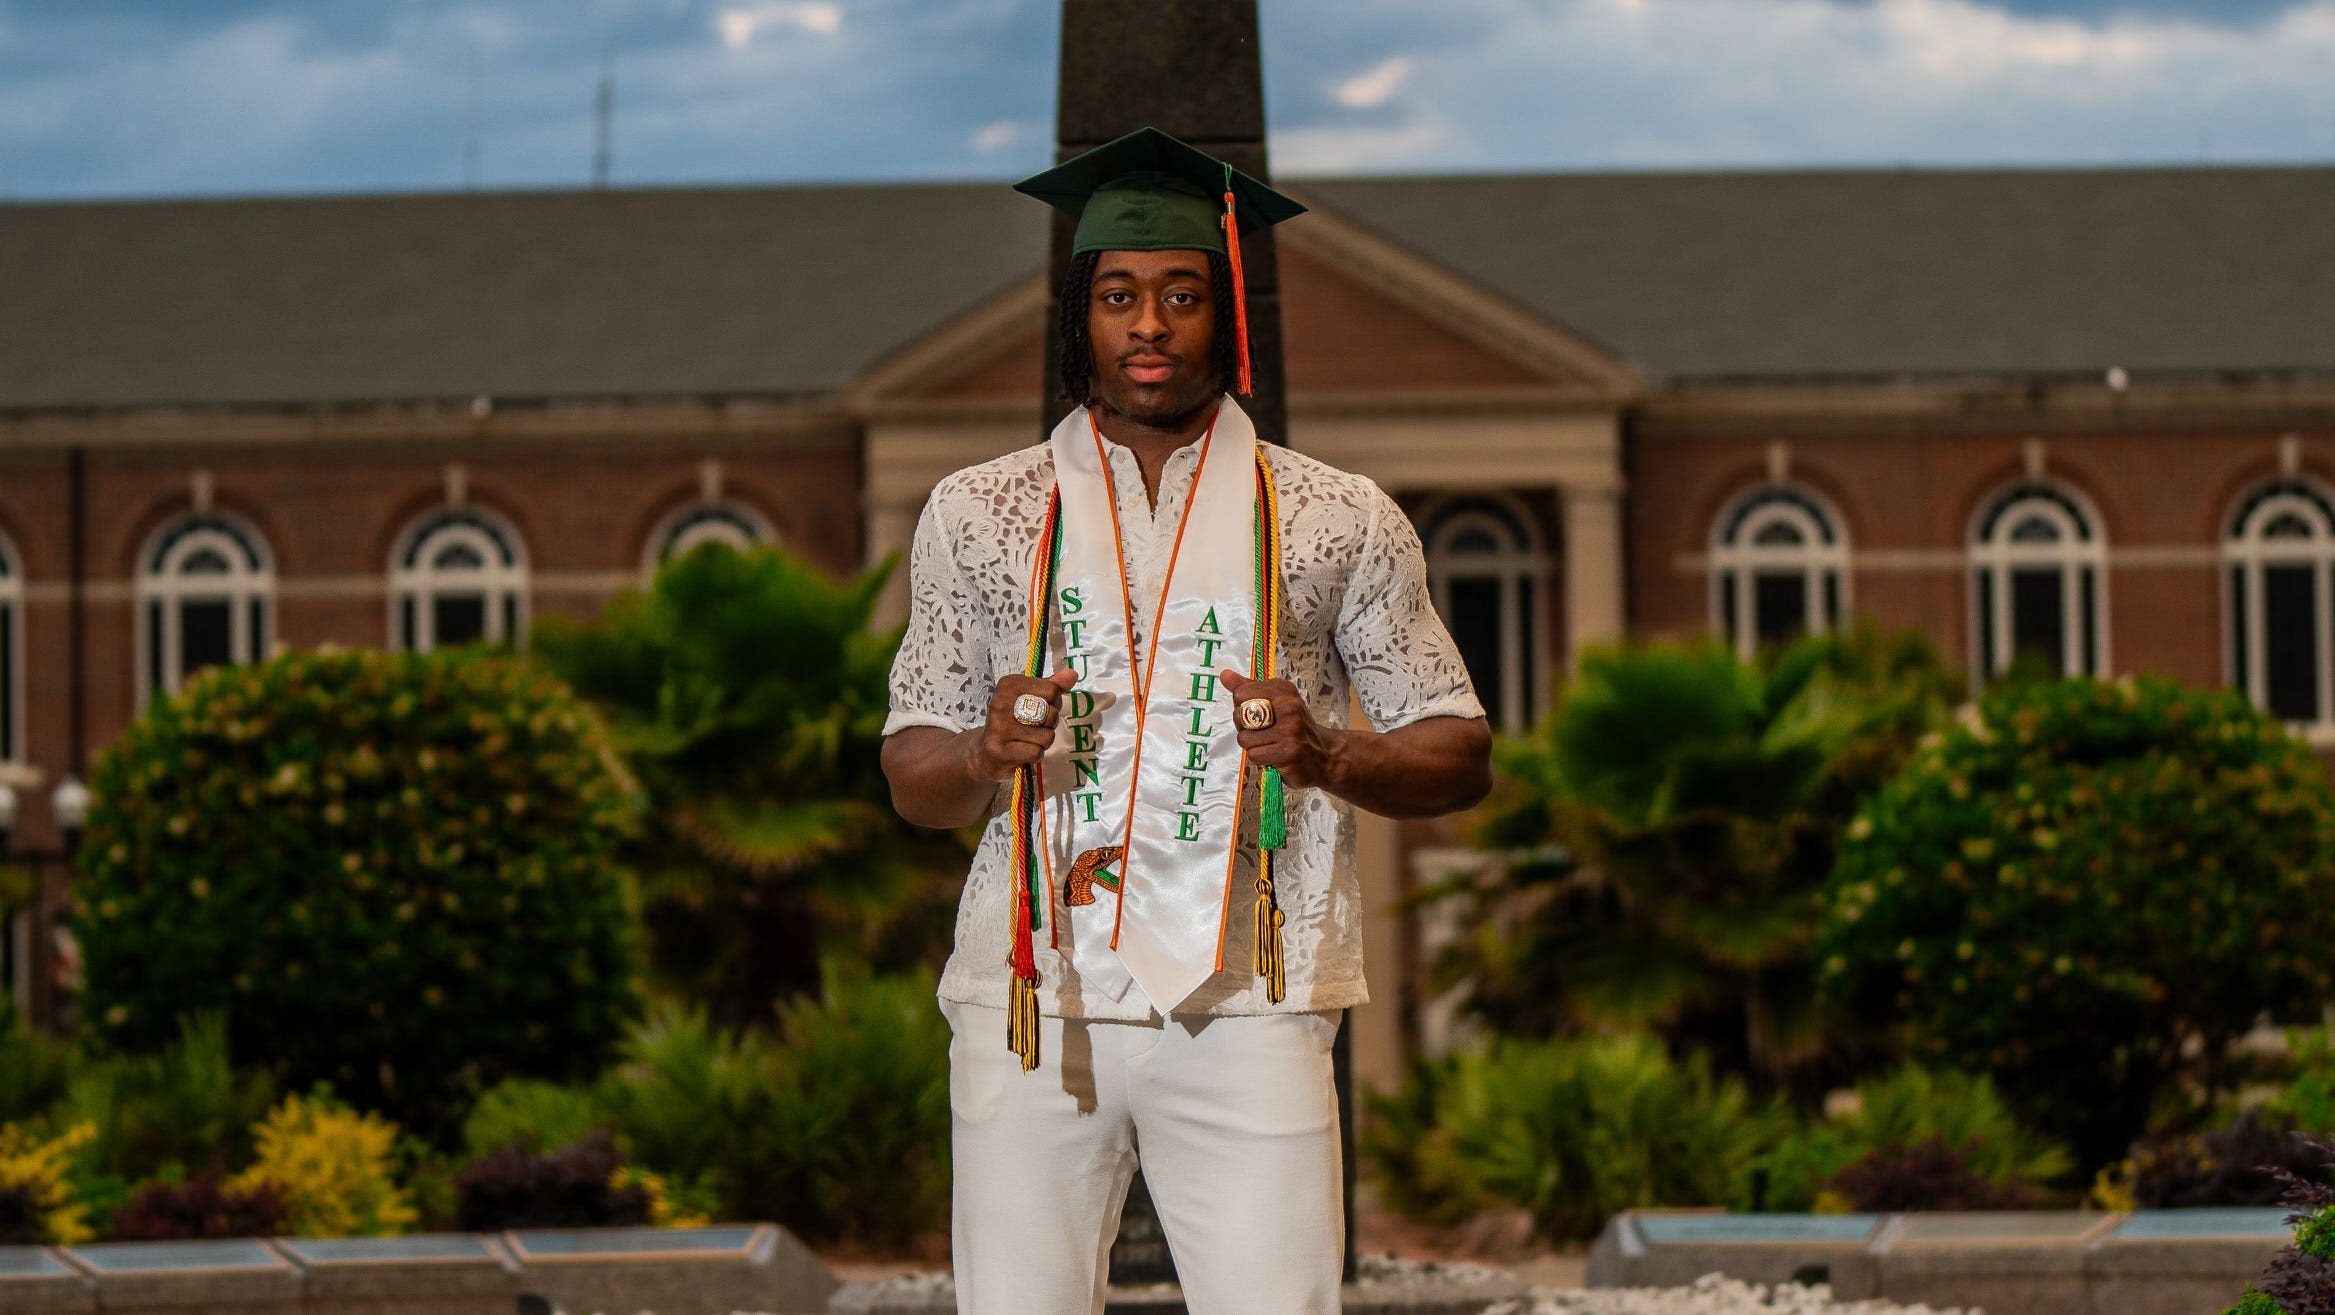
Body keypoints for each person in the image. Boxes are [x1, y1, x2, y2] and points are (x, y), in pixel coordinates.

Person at [880, 126, 1493, 1315]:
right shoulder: (979, 513)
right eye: (1118, 297)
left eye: (1179, 295)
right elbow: (913, 769)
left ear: (1227, 314)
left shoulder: (1335, 515)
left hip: (1252, 996)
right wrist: (978, 751)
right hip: (1033, 999)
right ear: (1081, 317)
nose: (1148, 325)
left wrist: (1329, 752)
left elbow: (1456, 746)